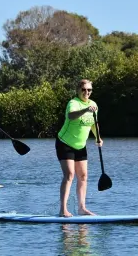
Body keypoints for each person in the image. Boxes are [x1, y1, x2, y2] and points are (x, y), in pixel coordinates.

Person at [56, 79, 104, 217]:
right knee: (69, 175)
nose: (87, 92)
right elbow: (71, 116)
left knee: (83, 176)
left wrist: (98, 137)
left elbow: (94, 123)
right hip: (64, 143)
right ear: (78, 90)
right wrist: (85, 109)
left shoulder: (94, 105)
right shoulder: (73, 103)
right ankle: (63, 210)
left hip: (81, 146)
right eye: (84, 90)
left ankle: (82, 208)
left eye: (89, 90)